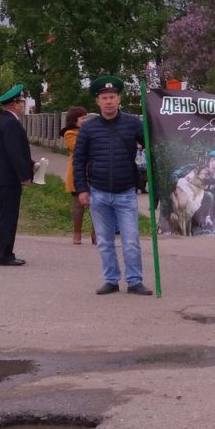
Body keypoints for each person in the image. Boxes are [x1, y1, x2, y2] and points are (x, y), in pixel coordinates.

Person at [73, 75, 152, 295]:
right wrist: (82, 189)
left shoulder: (133, 124)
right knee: (105, 241)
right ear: (98, 102)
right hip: (98, 193)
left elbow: (152, 146)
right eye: (104, 97)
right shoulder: (89, 128)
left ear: (119, 99)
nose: (108, 101)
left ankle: (135, 281)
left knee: (131, 241)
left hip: (126, 192)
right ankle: (111, 279)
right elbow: (78, 160)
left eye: (112, 97)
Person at [0, 85, 33, 264]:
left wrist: (31, 164)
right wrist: (25, 175)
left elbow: (11, 150)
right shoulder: (11, 123)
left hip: (1, 176)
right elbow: (14, 152)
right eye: (22, 102)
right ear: (15, 104)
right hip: (8, 178)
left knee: (4, 215)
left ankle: (3, 253)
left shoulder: (2, 121)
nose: (24, 105)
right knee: (8, 217)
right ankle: (5, 255)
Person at [61, 106, 92, 245]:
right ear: (74, 120)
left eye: (86, 117)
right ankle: (77, 233)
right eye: (82, 118)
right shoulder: (70, 133)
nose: (86, 120)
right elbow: (78, 148)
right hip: (77, 172)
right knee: (79, 204)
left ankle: (96, 235)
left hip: (93, 171)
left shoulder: (90, 131)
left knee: (96, 205)